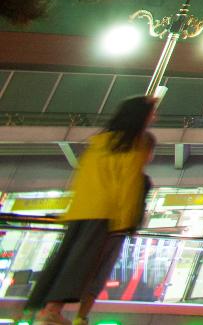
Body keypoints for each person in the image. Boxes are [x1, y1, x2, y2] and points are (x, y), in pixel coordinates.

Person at [27, 96, 156, 325]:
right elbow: (127, 185)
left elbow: (83, 178)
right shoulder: (133, 144)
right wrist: (126, 222)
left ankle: (46, 310)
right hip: (105, 213)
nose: (153, 117)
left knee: (69, 261)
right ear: (141, 117)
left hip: (81, 210)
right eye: (151, 113)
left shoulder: (101, 141)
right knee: (85, 266)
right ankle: (53, 312)